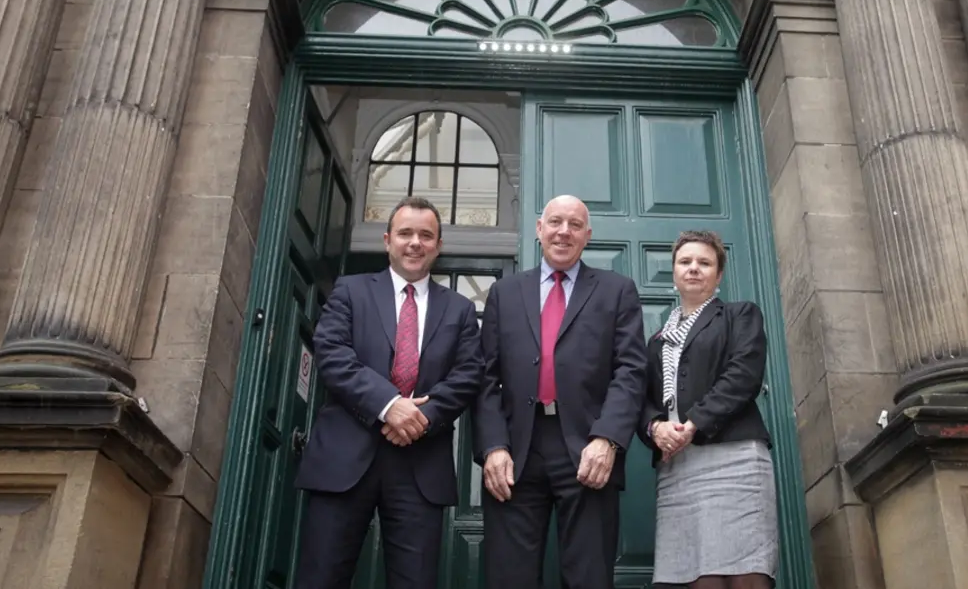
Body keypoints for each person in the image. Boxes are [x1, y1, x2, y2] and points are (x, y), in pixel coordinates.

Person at [293, 196, 484, 589]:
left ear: (438, 246)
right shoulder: (350, 290)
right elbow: (332, 354)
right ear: (387, 240)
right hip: (344, 459)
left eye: (426, 235)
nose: (415, 242)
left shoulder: (461, 310)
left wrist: (419, 419)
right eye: (405, 233)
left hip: (420, 464)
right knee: (321, 578)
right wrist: (388, 405)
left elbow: (467, 375)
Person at [472, 194, 647, 588]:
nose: (563, 232)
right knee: (508, 577)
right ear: (539, 230)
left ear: (588, 235)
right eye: (554, 222)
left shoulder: (616, 290)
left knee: (588, 576)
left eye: (573, 225)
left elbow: (631, 370)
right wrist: (492, 446)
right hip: (516, 450)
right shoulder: (505, 293)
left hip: (589, 448)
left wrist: (607, 439)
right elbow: (485, 377)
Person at [638, 230, 777, 589]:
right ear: (673, 272)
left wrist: (694, 422)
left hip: (735, 460)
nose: (694, 269)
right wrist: (654, 429)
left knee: (742, 573)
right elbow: (644, 401)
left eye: (705, 262)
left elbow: (743, 375)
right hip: (678, 467)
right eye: (685, 262)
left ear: (719, 274)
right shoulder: (656, 342)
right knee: (690, 577)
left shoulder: (739, 315)